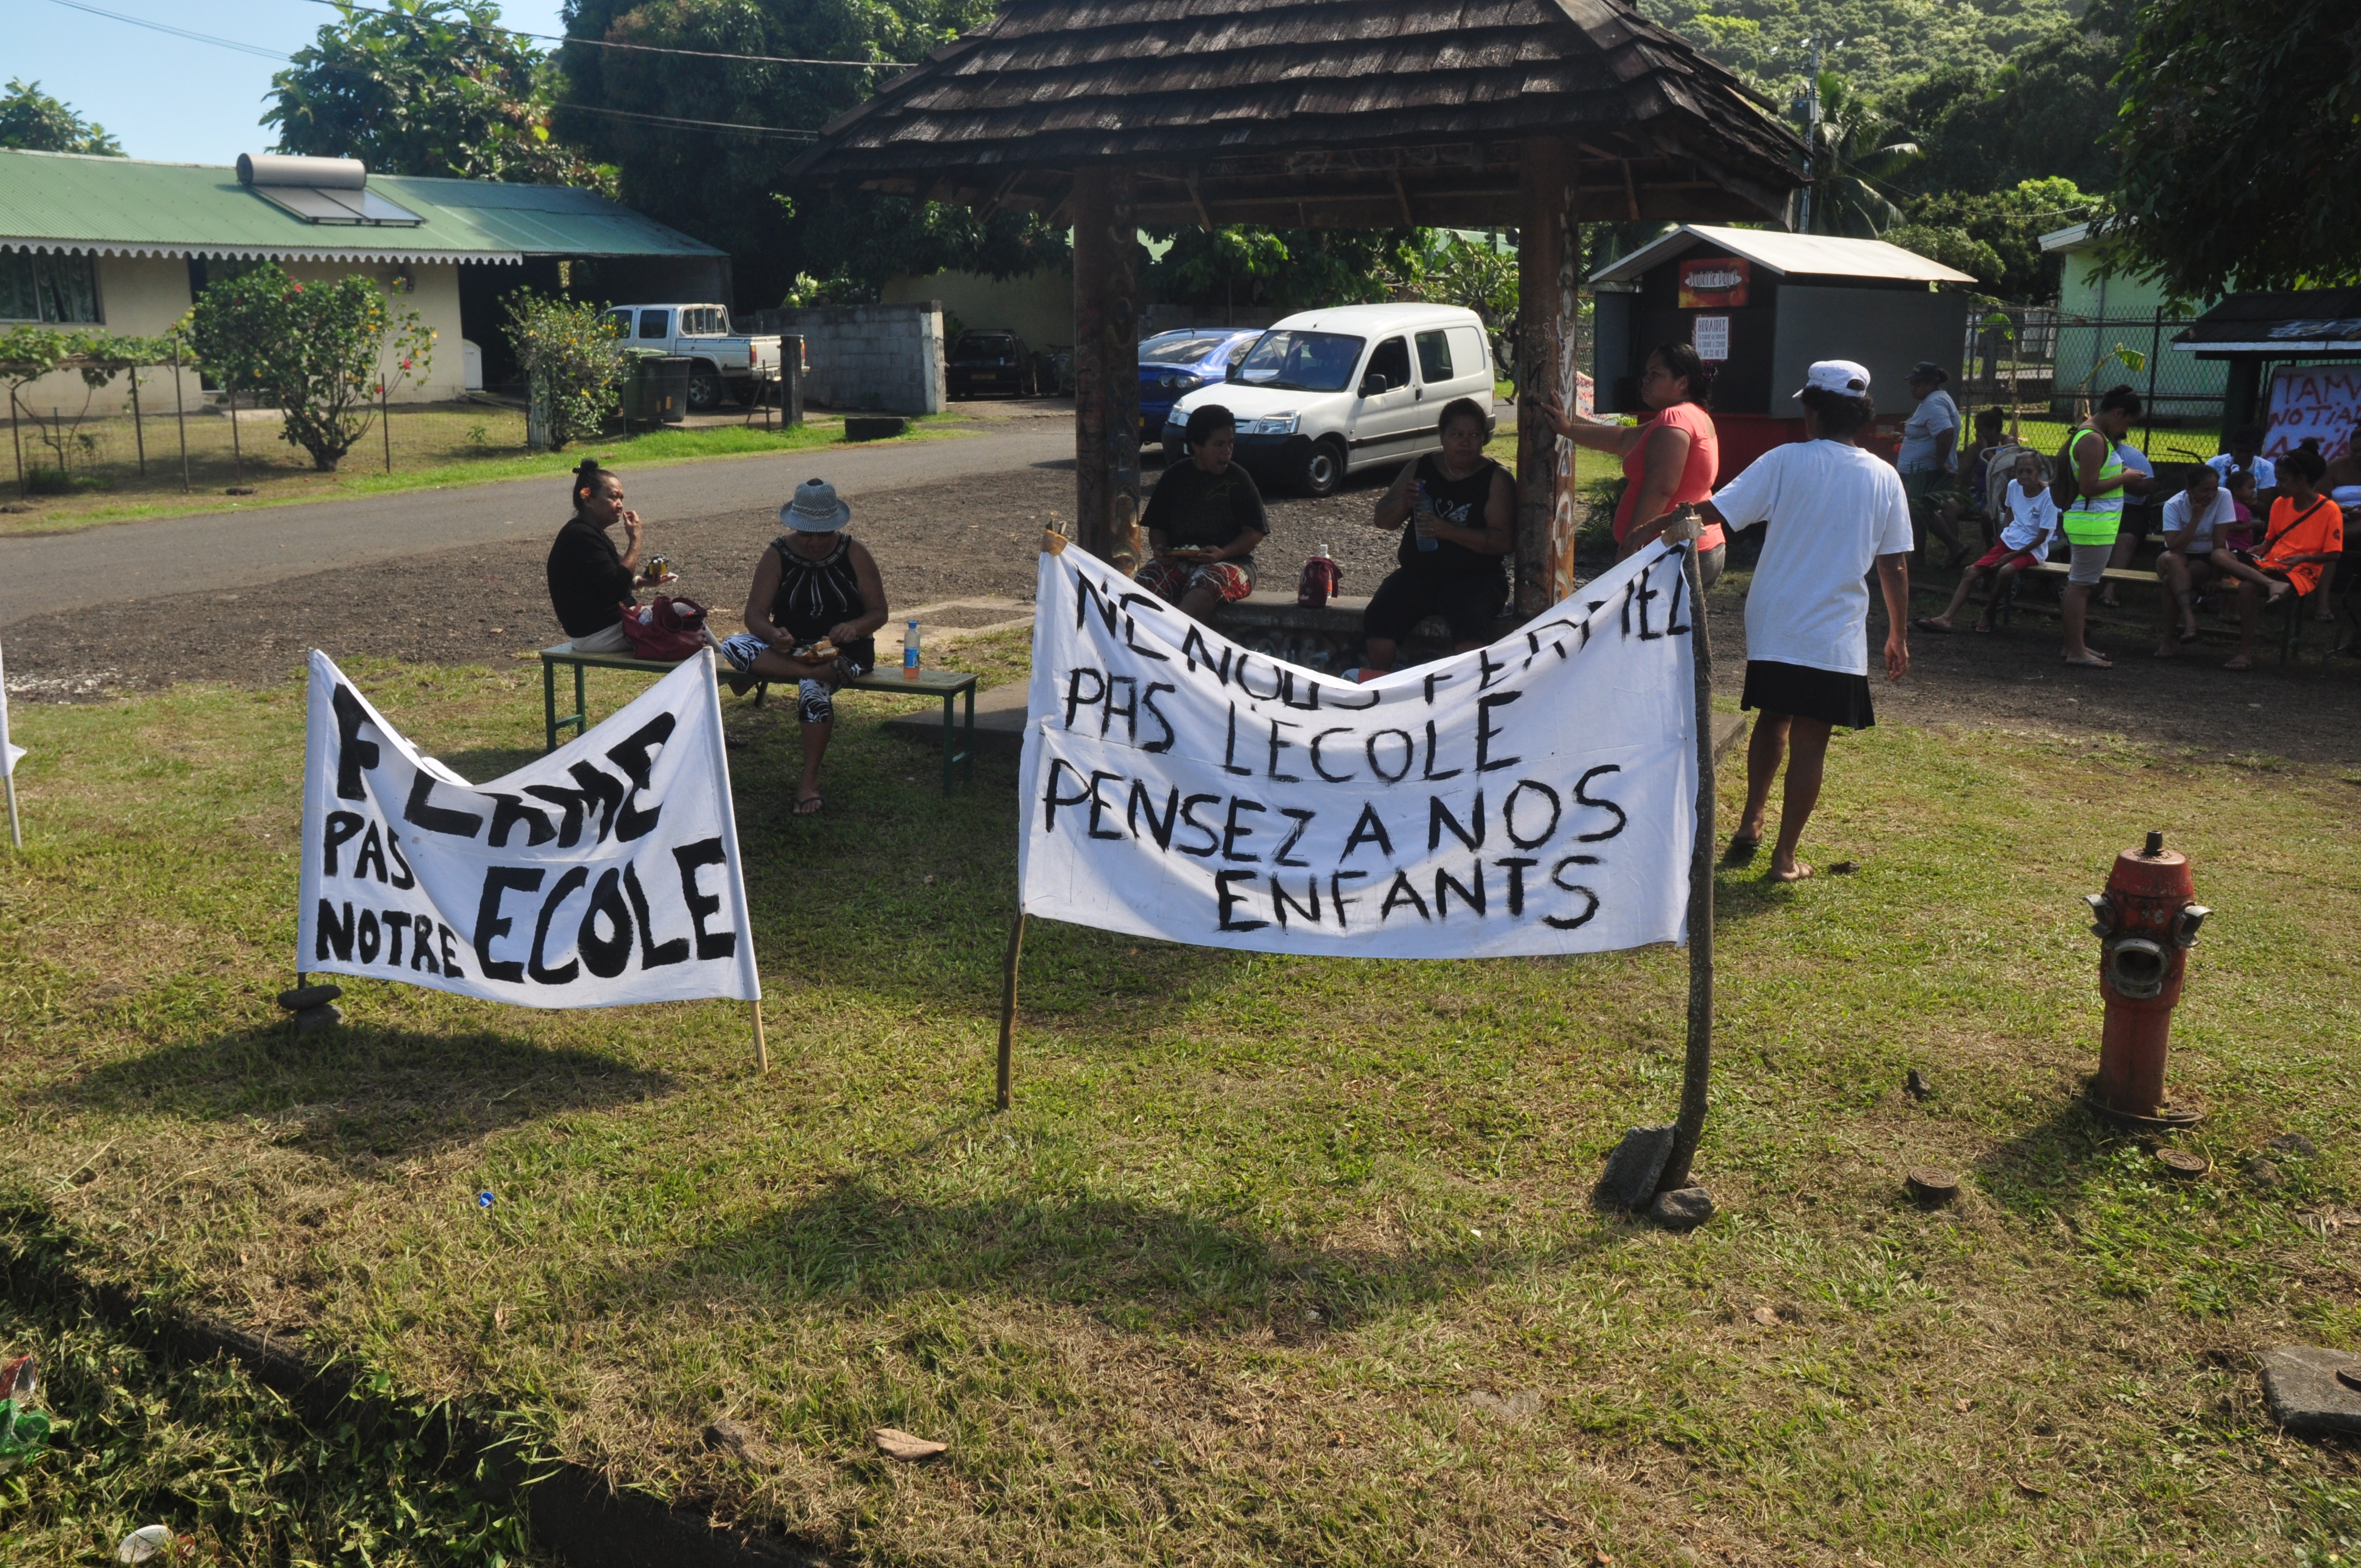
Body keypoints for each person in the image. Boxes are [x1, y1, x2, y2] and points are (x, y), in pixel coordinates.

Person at [1628, 360, 1910, 884]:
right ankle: (1785, 857)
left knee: (1773, 715)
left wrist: (1656, 525)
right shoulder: (1884, 477)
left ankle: (1750, 820)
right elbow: (1893, 564)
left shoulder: (1785, 459)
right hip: (1835, 631)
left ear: (1814, 411)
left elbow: (1715, 510)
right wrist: (1898, 633)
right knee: (1812, 738)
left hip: (1777, 618)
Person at [717, 479, 888, 816]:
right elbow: (754, 614)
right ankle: (808, 671)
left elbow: (879, 612)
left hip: (844, 652)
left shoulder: (855, 553)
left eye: (823, 534)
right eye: (807, 533)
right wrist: (772, 634)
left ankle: (808, 782)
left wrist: (854, 627)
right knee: (733, 644)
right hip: (791, 651)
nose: (814, 542)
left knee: (812, 691)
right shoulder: (777, 554)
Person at [1535, 341, 1726, 585]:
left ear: (1683, 382)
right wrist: (1568, 429)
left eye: (1656, 374)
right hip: (1692, 548)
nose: (1646, 380)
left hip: (1673, 553)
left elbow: (1661, 488)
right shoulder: (1689, 416)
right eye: (1647, 373)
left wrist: (1631, 545)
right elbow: (1624, 438)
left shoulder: (1675, 418)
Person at [1352, 398, 1516, 677]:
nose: (1465, 443)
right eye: (1457, 435)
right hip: (1419, 574)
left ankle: (1469, 689)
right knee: (1380, 615)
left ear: (1483, 439)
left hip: (1476, 578)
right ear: (1442, 437)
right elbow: (1382, 520)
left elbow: (1504, 541)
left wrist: (1448, 531)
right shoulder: (1421, 467)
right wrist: (1404, 502)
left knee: (1469, 624)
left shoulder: (1496, 478)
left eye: (1474, 435)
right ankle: (1380, 684)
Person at [1135, 404, 1268, 624]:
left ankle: (1175, 641)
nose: (1227, 451)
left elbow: (1255, 533)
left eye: (1230, 443)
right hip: (1180, 562)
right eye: (1219, 444)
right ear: (1197, 447)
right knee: (1144, 584)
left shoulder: (1238, 479)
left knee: (1204, 588)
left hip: (1233, 563)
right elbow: (1157, 526)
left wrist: (1223, 553)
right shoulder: (1175, 476)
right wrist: (1161, 550)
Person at [2219, 443, 2343, 669]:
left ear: (2302, 479)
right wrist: (2261, 548)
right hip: (2271, 565)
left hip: (2300, 570)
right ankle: (2272, 585)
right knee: (2219, 555)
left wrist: (2302, 558)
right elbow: (2270, 540)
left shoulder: (2329, 510)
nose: (2278, 486)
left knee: (2248, 587)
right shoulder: (2280, 503)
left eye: (2283, 480)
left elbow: (2334, 554)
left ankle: (2244, 653)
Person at [2056, 385, 2152, 669]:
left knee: (2080, 584)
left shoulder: (2093, 435)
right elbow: (2088, 487)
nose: (2126, 430)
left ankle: (2074, 645)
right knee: (2081, 587)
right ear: (2118, 413)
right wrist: (2126, 478)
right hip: (2092, 523)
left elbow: (2093, 473)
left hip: (2094, 522)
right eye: (2128, 423)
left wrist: (2121, 472)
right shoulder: (2093, 439)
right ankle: (2076, 651)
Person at [1914, 450, 2059, 635]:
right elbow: (2010, 511)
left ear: (2039, 472)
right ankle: (1947, 618)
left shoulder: (2049, 497)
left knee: (2006, 571)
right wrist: (2007, 532)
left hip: (2033, 549)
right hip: (2010, 541)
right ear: (2015, 472)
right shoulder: (2014, 486)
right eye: (2020, 471)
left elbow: (2041, 538)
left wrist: (2012, 555)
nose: (2024, 475)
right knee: (1970, 572)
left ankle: (1987, 613)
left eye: (2029, 471)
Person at [545, 459, 675, 652]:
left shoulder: (587, 532)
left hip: (600, 630)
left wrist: (640, 582)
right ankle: (723, 667)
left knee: (685, 619)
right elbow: (617, 586)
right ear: (588, 500)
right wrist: (635, 539)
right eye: (613, 497)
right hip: (600, 634)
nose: (620, 505)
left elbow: (605, 582)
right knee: (684, 617)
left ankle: (721, 665)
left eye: (621, 498)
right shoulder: (581, 536)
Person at [2151, 464, 2235, 655]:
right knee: (2173, 560)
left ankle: (2168, 641)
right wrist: (2196, 518)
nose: (2211, 495)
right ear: (2189, 489)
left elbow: (2219, 542)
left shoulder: (2224, 497)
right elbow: (2174, 546)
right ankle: (2190, 620)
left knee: (2171, 580)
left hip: (2205, 558)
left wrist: (2216, 577)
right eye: (2205, 490)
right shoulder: (2174, 505)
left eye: (2214, 489)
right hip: (2177, 555)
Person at [1898, 361, 1965, 565]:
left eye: (1917, 385)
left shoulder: (1933, 403)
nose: (1913, 389)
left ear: (1931, 383)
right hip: (1920, 470)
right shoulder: (1934, 399)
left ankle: (1955, 547)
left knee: (1921, 511)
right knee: (1919, 513)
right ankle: (1920, 557)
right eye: (1912, 384)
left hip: (1924, 471)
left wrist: (1939, 462)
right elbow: (1930, 432)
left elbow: (1946, 432)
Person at [2207, 426, 2277, 503]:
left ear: (2257, 450)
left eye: (2248, 451)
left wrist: (2247, 500)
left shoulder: (2266, 468)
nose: (2243, 455)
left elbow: (2265, 505)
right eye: (2239, 450)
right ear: (2232, 448)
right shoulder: (2215, 464)